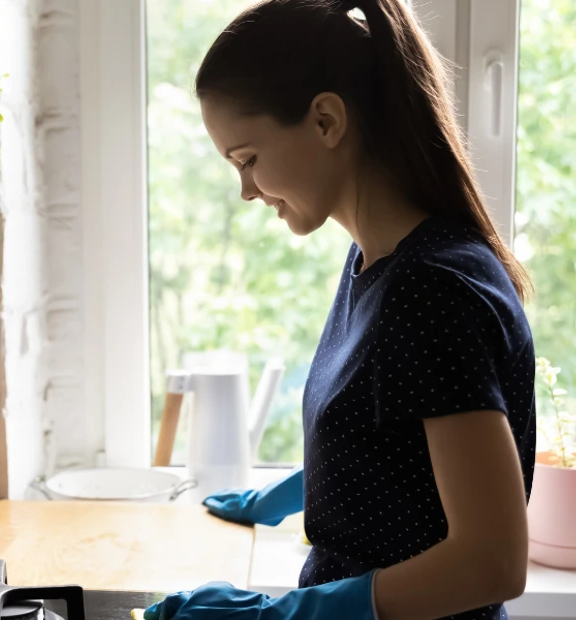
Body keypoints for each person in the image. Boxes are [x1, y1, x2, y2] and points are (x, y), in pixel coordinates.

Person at [143, 1, 536, 619]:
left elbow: (491, 563)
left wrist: (279, 617)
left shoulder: (433, 288)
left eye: (247, 159)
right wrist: (293, 490)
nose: (245, 190)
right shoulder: (374, 263)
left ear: (326, 119)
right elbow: (399, 450)